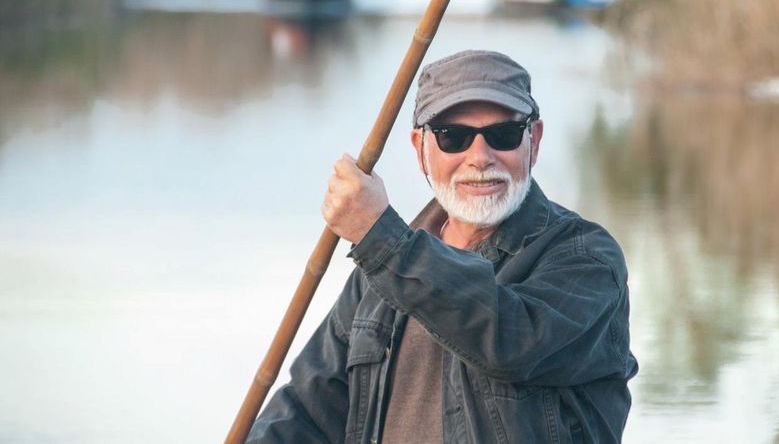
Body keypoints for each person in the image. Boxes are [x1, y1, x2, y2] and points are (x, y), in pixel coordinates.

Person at [247, 50, 637, 444]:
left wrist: (383, 242)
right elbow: (308, 412)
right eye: (454, 137)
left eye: (503, 134)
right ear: (420, 149)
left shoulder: (586, 257)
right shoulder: (376, 273)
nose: (480, 158)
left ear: (533, 141)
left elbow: (509, 340)